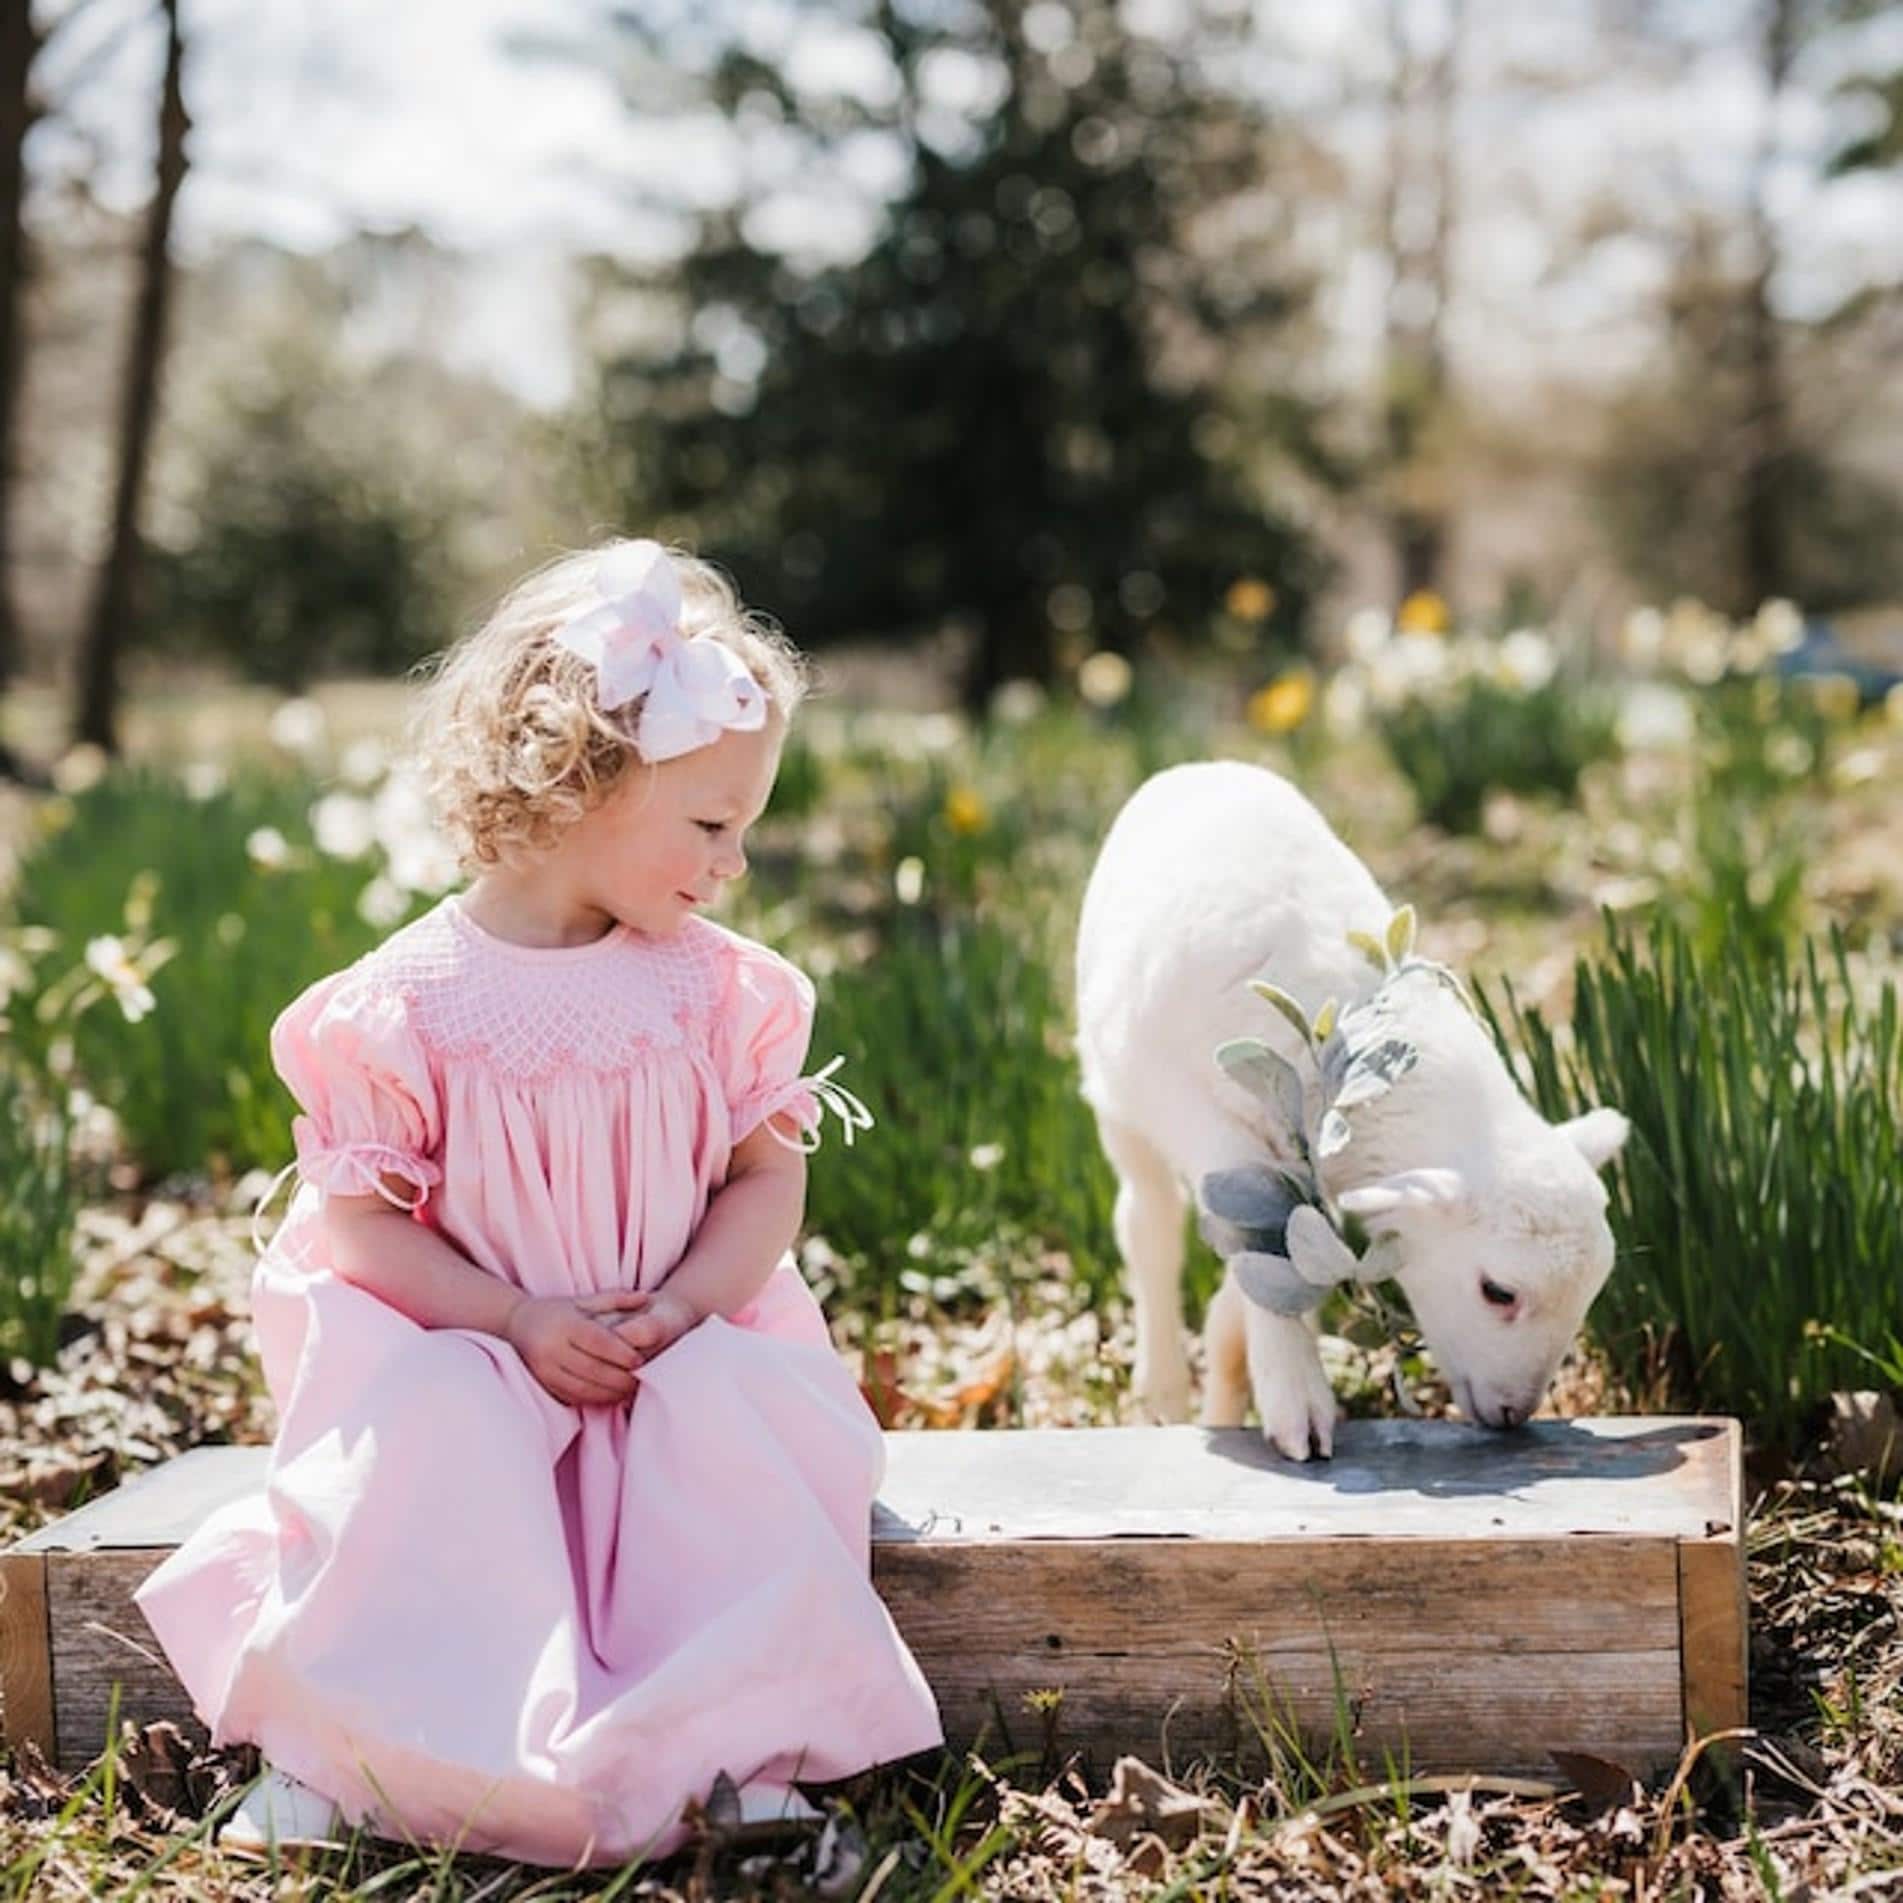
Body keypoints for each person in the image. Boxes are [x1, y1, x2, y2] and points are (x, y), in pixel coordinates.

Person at [133, 539, 943, 1866]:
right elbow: (363, 1227)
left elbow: (765, 1180)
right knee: (421, 1460)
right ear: (582, 782)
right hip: (480, 1342)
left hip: (662, 1339)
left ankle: (730, 1753)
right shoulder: (407, 1005)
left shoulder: (718, 991)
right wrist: (511, 1319)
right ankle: (343, 1755)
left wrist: (686, 1306)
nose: (733, 864)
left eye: (746, 827)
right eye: (710, 826)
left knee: (727, 1449)